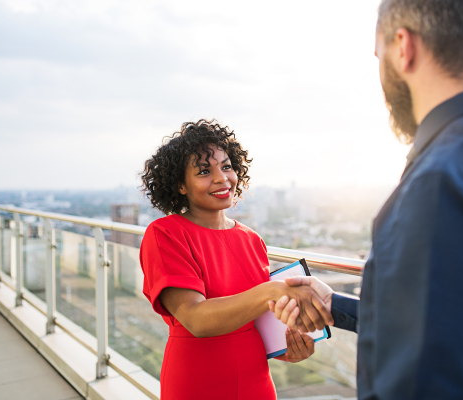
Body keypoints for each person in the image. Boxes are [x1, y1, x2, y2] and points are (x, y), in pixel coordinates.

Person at [271, 0, 463, 399]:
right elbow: (460, 324)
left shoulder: (440, 184)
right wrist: (336, 306)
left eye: (379, 56)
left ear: (403, 46)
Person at [139, 120, 334, 400]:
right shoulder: (165, 234)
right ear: (180, 185)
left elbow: (257, 320)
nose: (221, 178)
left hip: (257, 381)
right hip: (197, 383)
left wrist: (287, 348)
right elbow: (197, 319)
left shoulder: (251, 239)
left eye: (227, 166)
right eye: (205, 171)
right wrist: (273, 290)